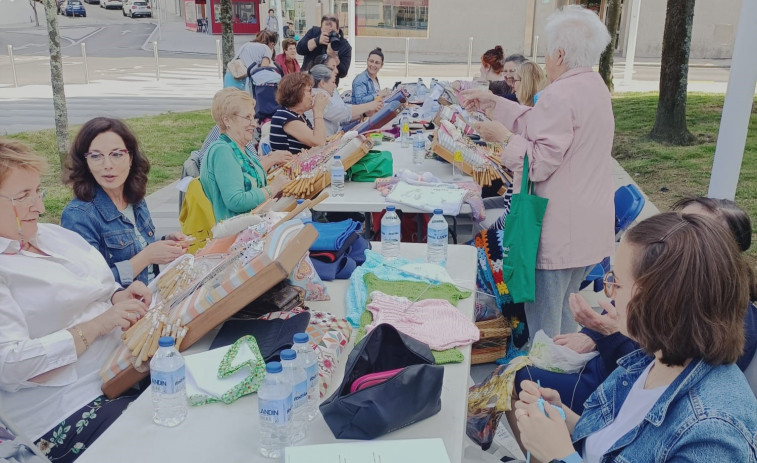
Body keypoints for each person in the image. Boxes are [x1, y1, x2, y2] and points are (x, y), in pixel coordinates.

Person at [512, 212, 757, 462]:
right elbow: (610, 446)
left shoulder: (713, 434)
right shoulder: (650, 361)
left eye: (615, 283)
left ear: (658, 302)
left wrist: (559, 454)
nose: (609, 295)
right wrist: (561, 418)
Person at [463, 5, 614, 343]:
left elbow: (539, 160)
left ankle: (543, 385)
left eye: (547, 51)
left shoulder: (561, 93)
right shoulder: (593, 85)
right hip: (586, 227)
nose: (545, 60)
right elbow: (541, 124)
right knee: (565, 317)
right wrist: (494, 103)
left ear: (560, 53)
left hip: (559, 227)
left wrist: (502, 137)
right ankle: (559, 381)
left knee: (546, 329)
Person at [0, 137, 151, 463]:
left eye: (37, 191)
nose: (38, 207)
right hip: (71, 404)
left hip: (126, 362)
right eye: (23, 196)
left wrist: (119, 296)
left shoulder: (50, 235)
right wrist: (98, 324)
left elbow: (101, 286)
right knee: (169, 431)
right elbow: (9, 364)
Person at [61, 117, 188, 286]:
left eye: (116, 154)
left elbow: (132, 243)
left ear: (130, 158)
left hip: (154, 296)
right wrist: (147, 256)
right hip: (120, 309)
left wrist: (164, 242)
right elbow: (88, 283)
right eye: (96, 156)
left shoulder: (134, 198)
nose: (108, 165)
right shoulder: (78, 215)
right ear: (85, 163)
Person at [200, 88, 292, 222]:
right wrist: (273, 188)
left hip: (255, 225)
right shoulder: (222, 151)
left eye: (253, 117)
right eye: (247, 117)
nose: (254, 124)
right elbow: (236, 201)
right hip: (238, 233)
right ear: (227, 120)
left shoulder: (241, 148)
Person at [305, 64, 383, 137]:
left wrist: (364, 114)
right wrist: (369, 105)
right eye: (333, 82)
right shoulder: (319, 96)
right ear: (322, 83)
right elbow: (343, 113)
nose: (335, 86)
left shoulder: (320, 94)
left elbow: (342, 117)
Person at [269, 72, 330, 154]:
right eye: (309, 91)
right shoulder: (284, 116)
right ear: (297, 93)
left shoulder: (298, 116)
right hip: (291, 166)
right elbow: (319, 143)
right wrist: (318, 111)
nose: (313, 95)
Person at [297, 14, 352, 82]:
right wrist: (316, 41)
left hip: (328, 83)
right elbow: (299, 49)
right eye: (325, 32)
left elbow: (343, 73)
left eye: (332, 32)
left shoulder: (344, 45)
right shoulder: (314, 32)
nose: (328, 35)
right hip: (308, 79)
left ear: (338, 30)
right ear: (321, 29)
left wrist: (334, 57)